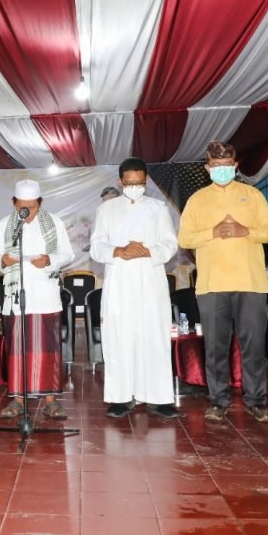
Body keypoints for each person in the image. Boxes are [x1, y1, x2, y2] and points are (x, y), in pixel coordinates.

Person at [178, 141, 268, 423]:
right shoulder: (197, 200)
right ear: (207, 168)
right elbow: (185, 238)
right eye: (216, 165)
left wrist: (244, 230)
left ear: (235, 166)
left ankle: (256, 401)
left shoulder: (252, 195)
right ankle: (218, 401)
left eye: (227, 165)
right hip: (212, 285)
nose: (221, 169)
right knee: (215, 347)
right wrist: (212, 232)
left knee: (253, 346)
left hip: (250, 283)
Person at [91, 159, 180, 418]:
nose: (134, 187)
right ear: (120, 182)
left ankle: (159, 398)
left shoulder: (158, 208)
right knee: (118, 338)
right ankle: (121, 397)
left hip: (150, 281)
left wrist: (147, 251)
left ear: (146, 180)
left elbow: (170, 244)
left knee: (154, 337)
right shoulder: (106, 210)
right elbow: (96, 247)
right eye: (129, 183)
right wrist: (119, 250)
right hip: (119, 281)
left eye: (139, 183)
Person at [0, 179, 74, 420]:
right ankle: (18, 400)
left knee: (48, 349)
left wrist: (49, 260)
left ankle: (50, 401)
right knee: (17, 349)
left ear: (40, 202)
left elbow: (68, 254)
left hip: (45, 295)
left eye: (32, 206)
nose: (26, 210)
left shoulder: (54, 222)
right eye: (21, 206)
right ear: (14, 202)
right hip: (15, 297)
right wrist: (3, 260)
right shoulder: (5, 224)